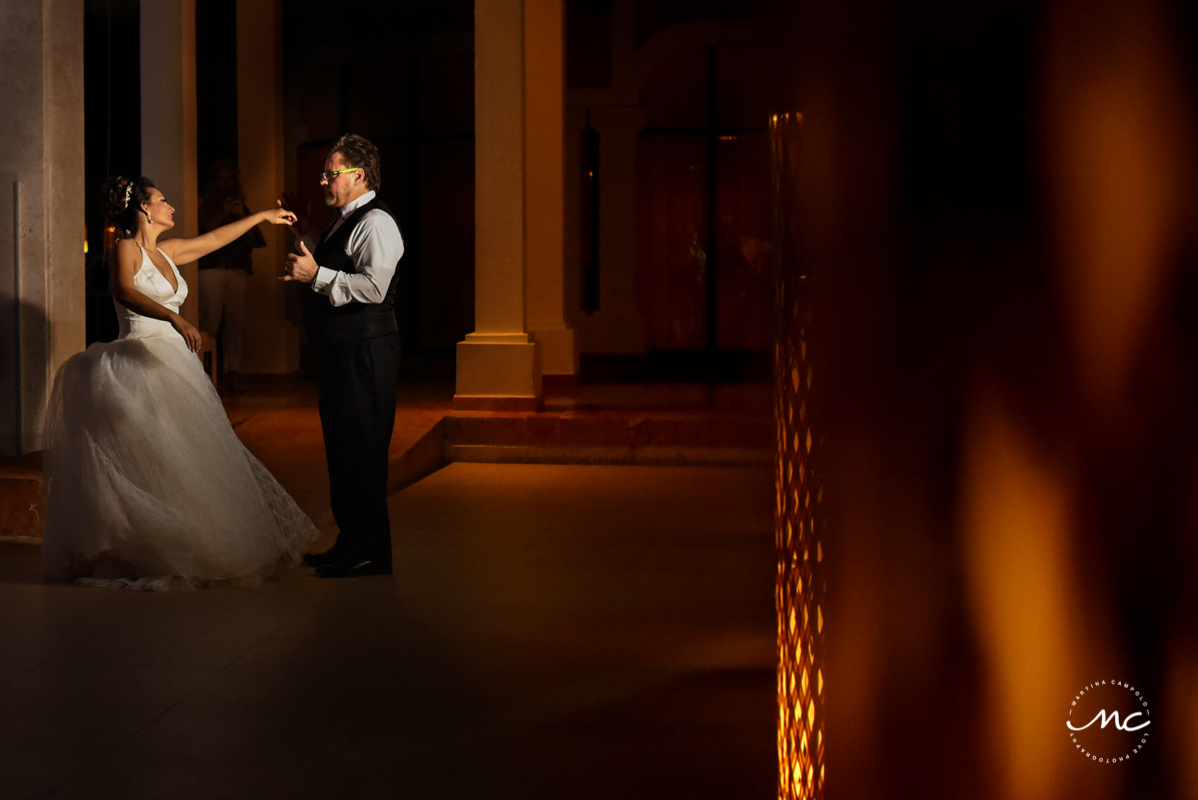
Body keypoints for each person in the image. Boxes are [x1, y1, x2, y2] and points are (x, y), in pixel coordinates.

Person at [41, 176, 319, 589]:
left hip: (175, 364)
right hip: (138, 361)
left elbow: (214, 239)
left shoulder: (168, 253)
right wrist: (174, 315)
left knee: (186, 454)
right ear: (144, 210)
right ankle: (145, 544)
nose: (171, 206)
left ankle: (189, 540)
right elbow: (123, 290)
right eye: (162, 200)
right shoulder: (126, 248)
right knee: (154, 456)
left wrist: (261, 215)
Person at [283, 134, 403, 578]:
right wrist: (304, 234)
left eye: (331, 173)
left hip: (365, 352)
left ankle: (372, 551)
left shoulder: (377, 222)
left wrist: (316, 276)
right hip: (341, 351)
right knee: (342, 449)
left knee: (363, 451)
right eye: (324, 173)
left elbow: (372, 288)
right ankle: (351, 541)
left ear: (358, 175)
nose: (324, 181)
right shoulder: (344, 219)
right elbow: (340, 261)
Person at [197, 159, 265, 393]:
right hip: (211, 269)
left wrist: (243, 214)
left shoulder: (242, 207)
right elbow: (202, 235)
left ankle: (232, 373)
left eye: (229, 180)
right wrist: (222, 214)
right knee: (210, 322)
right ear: (213, 182)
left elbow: (257, 241)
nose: (225, 185)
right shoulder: (203, 205)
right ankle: (203, 373)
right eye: (220, 180)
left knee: (236, 324)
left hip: (237, 269)